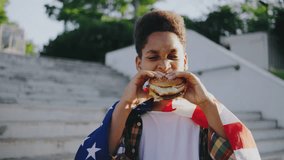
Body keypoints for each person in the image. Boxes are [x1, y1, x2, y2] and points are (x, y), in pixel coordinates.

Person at [75, 10, 261, 160]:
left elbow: (236, 155)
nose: (164, 66)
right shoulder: (127, 115)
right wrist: (126, 105)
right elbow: (105, 153)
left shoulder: (207, 114)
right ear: (139, 64)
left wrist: (205, 103)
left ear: (185, 61)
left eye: (173, 56)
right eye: (153, 57)